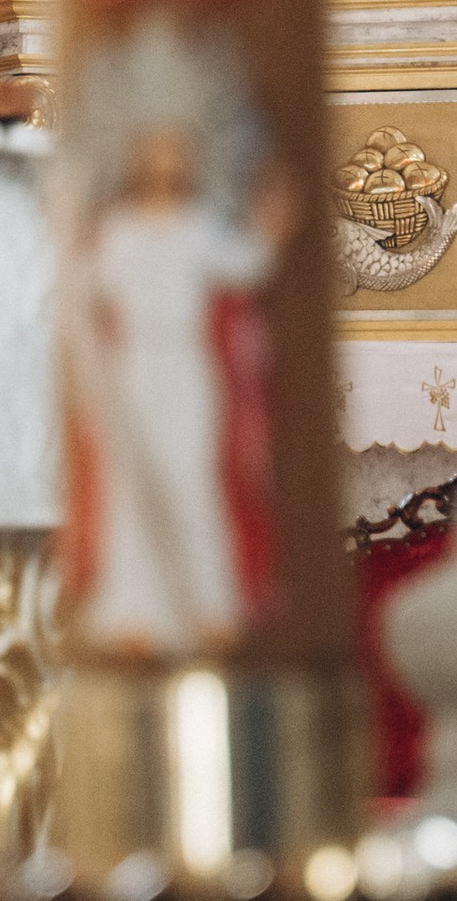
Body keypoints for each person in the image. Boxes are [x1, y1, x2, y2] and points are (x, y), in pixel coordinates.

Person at [73, 119, 294, 653]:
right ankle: (133, 612)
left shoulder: (198, 226)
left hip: (187, 370)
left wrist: (273, 217)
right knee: (131, 487)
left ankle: (208, 606)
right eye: (156, 150)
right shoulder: (119, 229)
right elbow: (85, 284)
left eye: (174, 151)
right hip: (133, 369)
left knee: (192, 481)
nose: (165, 161)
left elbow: (248, 266)